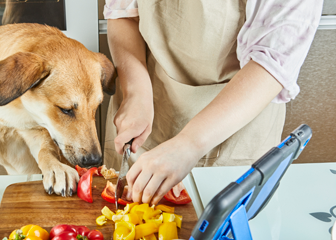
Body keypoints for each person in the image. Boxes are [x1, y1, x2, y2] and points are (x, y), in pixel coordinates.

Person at [103, 0, 323, 205]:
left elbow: (272, 64)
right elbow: (123, 13)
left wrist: (188, 144)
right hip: (153, 101)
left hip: (239, 128)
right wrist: (136, 93)